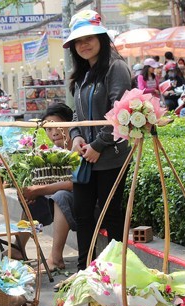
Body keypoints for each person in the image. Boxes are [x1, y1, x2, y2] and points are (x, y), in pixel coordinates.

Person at [64, 9, 131, 271]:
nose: (84, 44)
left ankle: (117, 275)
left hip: (111, 157)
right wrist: (77, 136)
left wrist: (98, 145)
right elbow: (74, 115)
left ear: (102, 38)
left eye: (90, 38)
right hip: (84, 159)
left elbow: (122, 112)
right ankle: (85, 273)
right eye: (79, 41)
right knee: (83, 217)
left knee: (111, 216)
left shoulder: (116, 67)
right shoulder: (81, 75)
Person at [11, 103, 76, 272]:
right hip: (58, 201)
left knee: (60, 195)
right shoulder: (52, 152)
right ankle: (18, 247)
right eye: (48, 128)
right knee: (31, 197)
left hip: (84, 200)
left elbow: (72, 184)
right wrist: (33, 190)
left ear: (70, 124)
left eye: (57, 126)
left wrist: (39, 190)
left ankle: (56, 258)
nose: (53, 132)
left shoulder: (78, 147)